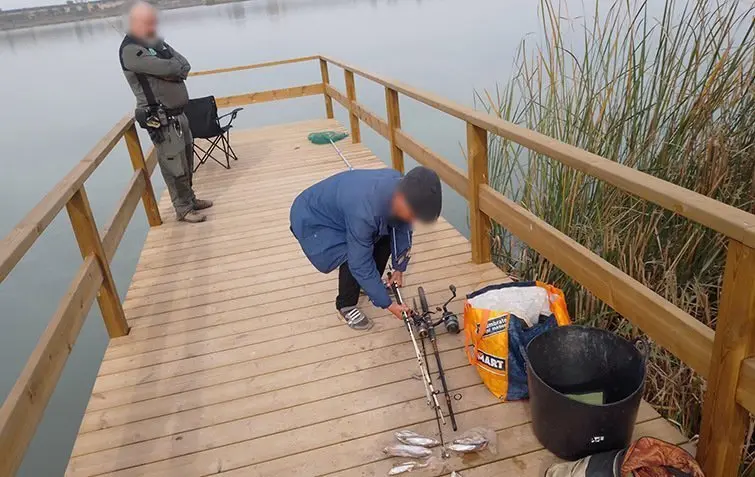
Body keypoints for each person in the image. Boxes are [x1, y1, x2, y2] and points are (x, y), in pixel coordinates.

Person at [290, 166, 443, 331]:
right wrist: (388, 305)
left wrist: (399, 268)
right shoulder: (364, 212)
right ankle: (345, 305)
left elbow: (401, 228)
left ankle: (367, 286)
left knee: (384, 235)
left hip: (347, 206)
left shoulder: (403, 187)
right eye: (413, 214)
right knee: (351, 254)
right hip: (313, 216)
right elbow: (359, 263)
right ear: (400, 199)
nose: (413, 220)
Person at [119, 1, 212, 223]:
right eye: (146, 21)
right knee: (174, 166)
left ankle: (190, 199)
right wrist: (172, 70)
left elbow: (184, 64)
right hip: (161, 118)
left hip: (180, 114)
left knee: (187, 161)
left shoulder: (156, 43)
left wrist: (173, 70)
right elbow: (168, 67)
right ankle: (183, 209)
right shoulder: (131, 50)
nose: (152, 25)